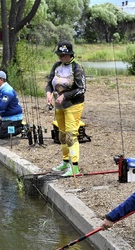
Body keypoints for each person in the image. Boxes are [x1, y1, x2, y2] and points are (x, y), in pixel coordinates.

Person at [45, 41, 86, 177]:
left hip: (73, 105)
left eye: (64, 55)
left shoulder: (77, 68)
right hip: (59, 106)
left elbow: (82, 89)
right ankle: (65, 161)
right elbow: (49, 83)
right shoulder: (56, 66)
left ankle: (74, 167)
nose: (61, 57)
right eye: (59, 55)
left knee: (70, 135)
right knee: (61, 134)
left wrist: (65, 96)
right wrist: (49, 94)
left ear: (70, 55)